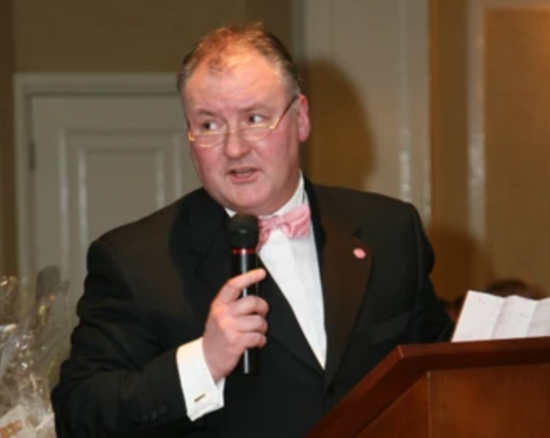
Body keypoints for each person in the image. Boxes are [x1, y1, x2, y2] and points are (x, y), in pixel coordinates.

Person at [51, 21, 453, 438]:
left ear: (300, 119)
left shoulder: (390, 230)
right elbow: (80, 413)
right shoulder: (134, 260)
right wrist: (202, 362)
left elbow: (438, 372)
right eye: (209, 125)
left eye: (254, 118)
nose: (234, 147)